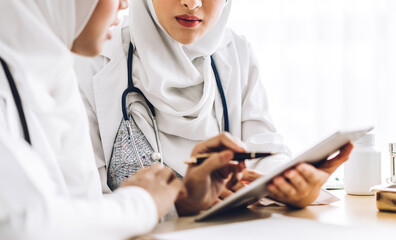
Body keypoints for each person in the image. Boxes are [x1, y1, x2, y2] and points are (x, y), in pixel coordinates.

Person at [0, 0, 245, 239]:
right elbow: (22, 224)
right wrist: (142, 202)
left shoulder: (53, 78)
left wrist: (178, 200)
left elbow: (82, 211)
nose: (125, 4)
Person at [75, 0, 353, 209]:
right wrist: (178, 204)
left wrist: (293, 183)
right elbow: (81, 202)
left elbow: (264, 151)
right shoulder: (90, 60)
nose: (193, 3)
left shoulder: (236, 52)